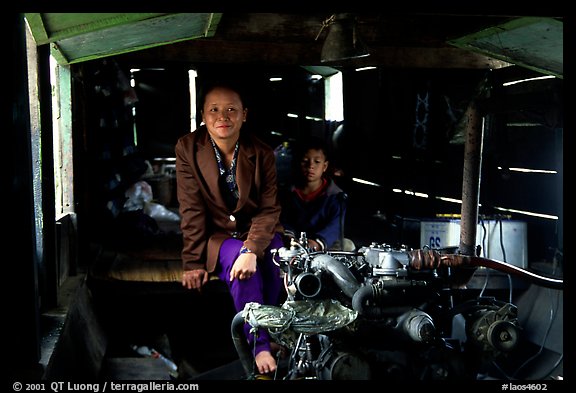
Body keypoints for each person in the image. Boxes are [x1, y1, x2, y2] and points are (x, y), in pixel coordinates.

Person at [175, 81, 284, 375]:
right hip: (219, 237)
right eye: (214, 110)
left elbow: (269, 209)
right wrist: (193, 262)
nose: (222, 116)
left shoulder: (262, 152)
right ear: (203, 114)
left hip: (259, 230)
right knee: (240, 264)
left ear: (244, 115)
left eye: (231, 110)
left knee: (278, 258)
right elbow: (191, 208)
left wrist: (252, 248)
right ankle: (259, 343)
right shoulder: (188, 147)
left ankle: (274, 333)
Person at [279, 137, 351, 252]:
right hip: (293, 242)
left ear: (325, 166)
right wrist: (289, 236)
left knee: (347, 245)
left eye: (317, 162)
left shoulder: (336, 196)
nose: (310, 166)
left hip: (322, 244)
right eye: (305, 161)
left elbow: (335, 226)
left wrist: (318, 242)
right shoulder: (287, 193)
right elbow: (283, 219)